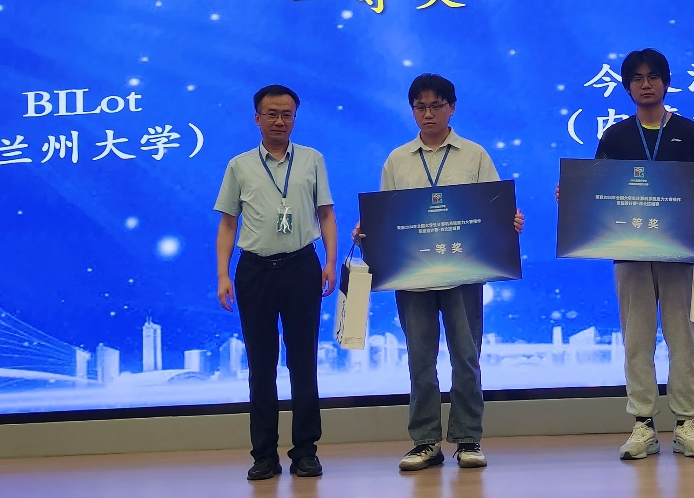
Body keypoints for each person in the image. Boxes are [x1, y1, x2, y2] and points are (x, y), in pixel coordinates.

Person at [354, 73, 524, 472]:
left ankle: (468, 438)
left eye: (436, 105)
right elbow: (386, 218)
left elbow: (494, 209)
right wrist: (367, 233)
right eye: (420, 106)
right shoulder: (397, 159)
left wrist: (509, 222)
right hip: (412, 276)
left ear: (452, 108)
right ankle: (425, 442)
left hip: (463, 274)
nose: (428, 113)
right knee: (419, 360)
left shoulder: (474, 155)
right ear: (412, 110)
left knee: (466, 358)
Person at [214, 85, 338, 481]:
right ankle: (264, 455)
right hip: (255, 271)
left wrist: (330, 261)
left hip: (302, 266)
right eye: (272, 114)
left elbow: (326, 213)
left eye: (287, 114)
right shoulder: (239, 166)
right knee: (261, 364)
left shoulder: (313, 159)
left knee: (303, 362)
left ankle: (306, 451)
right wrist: (223, 274)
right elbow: (228, 223)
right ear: (257, 118)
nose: (279, 121)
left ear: (294, 118)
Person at [596, 48, 694, 460]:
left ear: (666, 82)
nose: (645, 84)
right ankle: (643, 423)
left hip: (679, 249)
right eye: (637, 78)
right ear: (627, 86)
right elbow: (597, 193)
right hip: (629, 251)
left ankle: (687, 423)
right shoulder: (614, 136)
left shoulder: (689, 131)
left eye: (652, 77)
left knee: (684, 337)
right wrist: (573, 196)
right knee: (637, 338)